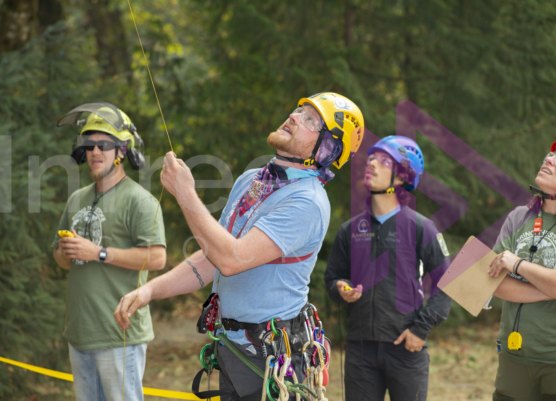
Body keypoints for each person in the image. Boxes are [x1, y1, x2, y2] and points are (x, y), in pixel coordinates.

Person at [114, 93, 365, 400]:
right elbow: (211, 257)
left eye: (311, 120)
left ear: (326, 149)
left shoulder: (307, 202)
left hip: (270, 359)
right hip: (232, 348)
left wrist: (186, 195)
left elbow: (231, 259)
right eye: (299, 110)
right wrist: (150, 291)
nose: (294, 117)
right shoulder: (253, 179)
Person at [53, 102, 167, 401]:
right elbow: (61, 261)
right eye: (88, 145)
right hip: (79, 332)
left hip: (120, 334)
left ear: (122, 151)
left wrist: (99, 252)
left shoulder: (140, 201)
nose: (94, 152)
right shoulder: (76, 199)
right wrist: (66, 252)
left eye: (103, 144)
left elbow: (157, 258)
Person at [323, 136, 452, 401]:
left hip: (406, 348)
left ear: (402, 177)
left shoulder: (421, 227)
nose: (371, 163)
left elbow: (447, 284)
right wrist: (340, 288)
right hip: (359, 351)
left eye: (384, 161)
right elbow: (332, 277)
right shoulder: (350, 229)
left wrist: (419, 330)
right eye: (372, 158)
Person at [487, 142, 556, 401]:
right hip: (514, 356)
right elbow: (492, 281)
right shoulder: (519, 217)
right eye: (549, 153)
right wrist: (548, 290)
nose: (549, 158)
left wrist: (516, 264)